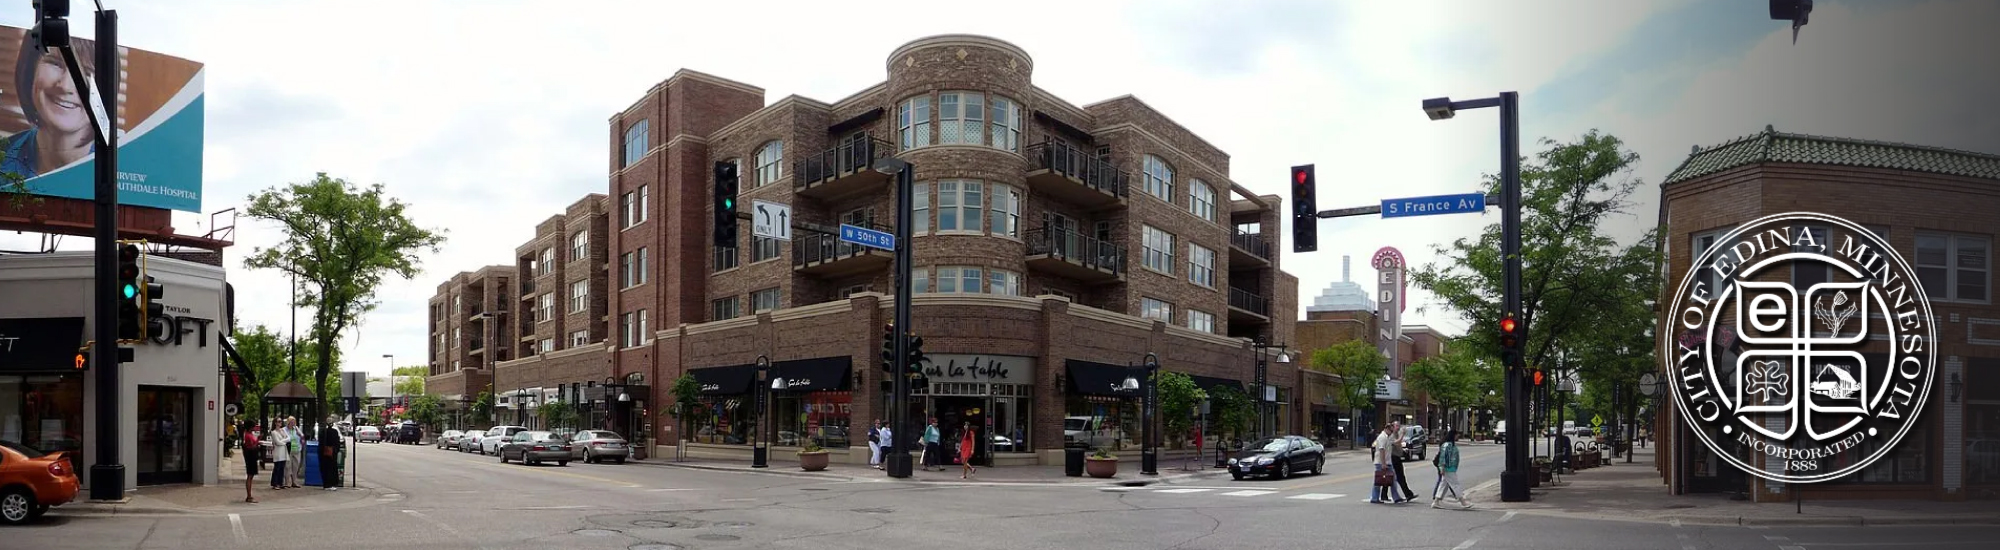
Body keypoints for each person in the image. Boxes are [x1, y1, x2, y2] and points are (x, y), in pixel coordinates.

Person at [2, 32, 100, 179]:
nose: (65, 86)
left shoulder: (124, 169)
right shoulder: (3, 158)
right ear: (31, 69)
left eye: (86, 72)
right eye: (55, 63)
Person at [1431, 430, 1473, 509]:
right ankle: (1463, 501)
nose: (1458, 437)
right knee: (1455, 484)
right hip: (1448, 468)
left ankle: (1436, 501)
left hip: (1451, 467)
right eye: (1457, 435)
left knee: (1443, 485)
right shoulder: (1447, 445)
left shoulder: (1451, 445)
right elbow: (1443, 457)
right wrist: (1442, 467)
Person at [1370, 424, 1403, 504]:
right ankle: (1374, 498)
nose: (1392, 432)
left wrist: (1402, 435)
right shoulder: (1382, 437)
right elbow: (1382, 451)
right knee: (1378, 481)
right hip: (1381, 463)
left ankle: (1396, 497)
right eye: (1391, 431)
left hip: (1388, 462)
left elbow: (1396, 442)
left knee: (1392, 480)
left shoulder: (1388, 437)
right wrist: (1383, 464)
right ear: (1386, 429)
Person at [1391, 422, 1419, 502]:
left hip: (1397, 458)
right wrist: (1402, 434)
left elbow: (1398, 445)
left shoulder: (1396, 434)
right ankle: (1408, 494)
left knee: (1399, 477)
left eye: (1399, 426)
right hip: (1394, 458)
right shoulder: (1392, 435)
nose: (1398, 427)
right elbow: (1396, 443)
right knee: (1397, 477)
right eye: (1396, 426)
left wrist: (1403, 450)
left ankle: (1408, 494)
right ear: (1393, 427)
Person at [318, 417, 344, 490]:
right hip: (332, 453)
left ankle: (326, 484)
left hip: (323, 453)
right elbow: (337, 443)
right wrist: (336, 450)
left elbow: (320, 442)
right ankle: (331, 484)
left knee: (325, 468)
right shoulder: (335, 432)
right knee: (332, 469)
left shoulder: (322, 432)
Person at [268, 418, 291, 490]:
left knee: (282, 468)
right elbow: (277, 442)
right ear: (275, 423)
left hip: (283, 451)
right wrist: (284, 441)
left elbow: (289, 438)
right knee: (277, 468)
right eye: (278, 421)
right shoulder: (273, 432)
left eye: (281, 421)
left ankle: (280, 483)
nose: (280, 423)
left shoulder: (282, 430)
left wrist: (283, 441)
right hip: (278, 452)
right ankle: (275, 483)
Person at [241, 422, 262, 503]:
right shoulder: (248, 435)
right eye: (253, 427)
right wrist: (258, 440)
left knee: (251, 475)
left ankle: (249, 495)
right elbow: (252, 446)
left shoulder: (248, 434)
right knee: (250, 475)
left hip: (251, 456)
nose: (254, 428)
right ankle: (249, 496)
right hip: (250, 457)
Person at [284, 417, 305, 488]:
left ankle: (294, 482)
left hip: (297, 449)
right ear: (288, 422)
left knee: (295, 466)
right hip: (288, 450)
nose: (293, 423)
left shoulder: (296, 429)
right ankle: (287, 482)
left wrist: (298, 431)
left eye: (294, 422)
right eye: (291, 422)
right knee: (288, 466)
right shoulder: (284, 430)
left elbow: (302, 436)